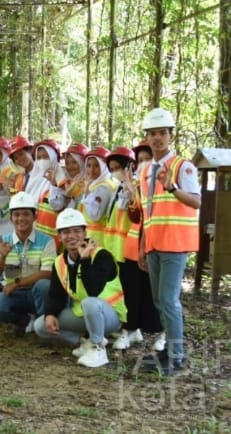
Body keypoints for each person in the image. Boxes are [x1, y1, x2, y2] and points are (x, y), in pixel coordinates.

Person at [137, 108, 201, 375]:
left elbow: (196, 201)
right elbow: (146, 213)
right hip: (154, 243)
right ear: (147, 138)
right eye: (152, 134)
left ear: (171, 136)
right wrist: (141, 247)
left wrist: (173, 187)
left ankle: (176, 355)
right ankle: (167, 351)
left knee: (168, 299)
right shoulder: (146, 171)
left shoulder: (182, 166)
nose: (157, 138)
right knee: (159, 300)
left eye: (162, 133)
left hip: (175, 243)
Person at [34, 208, 127, 368]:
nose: (72, 236)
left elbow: (94, 290)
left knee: (90, 302)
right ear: (60, 236)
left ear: (85, 233)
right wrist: (50, 313)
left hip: (109, 315)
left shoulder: (101, 255)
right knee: (41, 326)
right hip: (82, 313)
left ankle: (98, 348)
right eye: (66, 232)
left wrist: (84, 259)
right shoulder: (59, 262)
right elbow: (56, 294)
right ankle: (86, 341)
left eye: (77, 231)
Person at [107, 144, 163, 350]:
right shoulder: (135, 185)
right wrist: (131, 196)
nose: (143, 164)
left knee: (159, 292)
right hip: (133, 246)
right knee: (132, 288)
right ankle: (130, 329)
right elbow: (134, 216)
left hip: (159, 244)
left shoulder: (163, 182)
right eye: (140, 160)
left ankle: (164, 333)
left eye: (147, 159)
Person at [0, 191, 55, 336]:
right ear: (11, 218)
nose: (21, 218)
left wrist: (17, 283)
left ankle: (42, 325)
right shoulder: (1, 242)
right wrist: (3, 257)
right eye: (16, 215)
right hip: (13, 294)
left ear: (34, 216)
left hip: (34, 291)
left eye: (26, 214)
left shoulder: (47, 241)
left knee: (44, 286)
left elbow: (48, 273)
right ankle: (21, 320)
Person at [78, 146, 117, 244]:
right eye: (89, 165)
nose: (91, 170)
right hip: (89, 237)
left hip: (96, 238)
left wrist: (86, 192)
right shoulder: (95, 184)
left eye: (97, 166)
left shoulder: (104, 187)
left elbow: (95, 214)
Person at [30, 139, 65, 240]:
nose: (42, 161)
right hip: (34, 234)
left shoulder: (61, 179)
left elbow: (57, 205)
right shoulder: (34, 178)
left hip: (56, 237)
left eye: (46, 157)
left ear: (53, 157)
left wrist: (53, 184)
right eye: (39, 157)